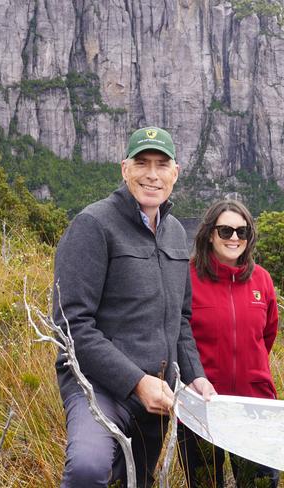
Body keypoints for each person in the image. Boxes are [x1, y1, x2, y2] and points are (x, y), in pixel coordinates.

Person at [53, 126, 215, 487]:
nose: (152, 174)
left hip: (157, 393)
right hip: (98, 386)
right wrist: (136, 382)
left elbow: (181, 321)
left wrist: (196, 376)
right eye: (142, 163)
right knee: (88, 468)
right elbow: (71, 325)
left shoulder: (174, 233)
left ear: (176, 172)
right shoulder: (92, 225)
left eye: (162, 164)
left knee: (135, 480)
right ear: (124, 168)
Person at [178, 199, 280, 488]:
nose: (234, 238)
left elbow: (266, 336)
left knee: (259, 483)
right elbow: (178, 335)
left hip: (254, 408)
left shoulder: (262, 280)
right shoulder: (187, 278)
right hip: (200, 408)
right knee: (206, 483)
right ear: (210, 234)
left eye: (241, 231)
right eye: (225, 231)